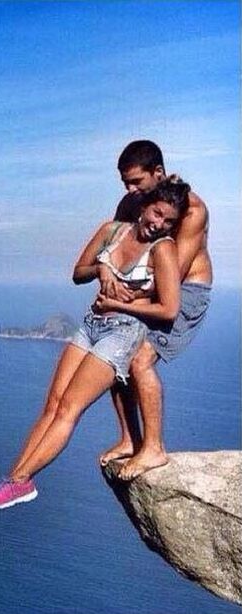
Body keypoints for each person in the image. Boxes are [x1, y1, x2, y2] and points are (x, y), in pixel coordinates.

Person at [0, 177, 190, 510]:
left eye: (168, 221)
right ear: (145, 207)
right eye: (157, 213)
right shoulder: (112, 231)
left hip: (122, 333)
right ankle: (14, 478)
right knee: (52, 404)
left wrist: (117, 304)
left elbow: (169, 309)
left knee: (69, 409)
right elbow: (78, 273)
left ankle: (20, 481)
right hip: (91, 324)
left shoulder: (162, 249)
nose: (159, 224)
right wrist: (102, 269)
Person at [98, 141, 212, 480]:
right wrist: (106, 274)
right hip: (143, 288)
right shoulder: (131, 203)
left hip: (185, 290)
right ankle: (130, 439)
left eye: (136, 181)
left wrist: (124, 297)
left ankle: (154, 448)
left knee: (140, 359)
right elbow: (113, 247)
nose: (130, 190)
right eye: (125, 183)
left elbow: (172, 277)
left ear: (158, 173)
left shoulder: (192, 211)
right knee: (114, 350)